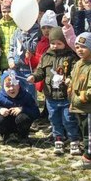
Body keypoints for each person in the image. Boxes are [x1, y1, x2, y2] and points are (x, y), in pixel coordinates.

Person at [32, 27, 80, 155]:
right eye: (53, 43)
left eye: (59, 43)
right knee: (54, 119)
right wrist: (34, 77)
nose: (55, 46)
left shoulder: (70, 57)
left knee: (68, 119)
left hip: (65, 96)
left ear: (65, 43)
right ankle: (58, 139)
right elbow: (40, 71)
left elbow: (75, 71)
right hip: (51, 96)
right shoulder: (46, 56)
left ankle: (74, 140)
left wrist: (70, 79)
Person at [68, 32, 91, 169]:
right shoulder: (78, 63)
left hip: (87, 106)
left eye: (83, 47)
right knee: (84, 131)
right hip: (77, 105)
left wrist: (82, 97)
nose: (80, 50)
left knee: (89, 133)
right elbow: (74, 77)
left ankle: (87, 159)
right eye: (77, 47)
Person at [0, 72, 39, 144]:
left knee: (23, 118)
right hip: (6, 124)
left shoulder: (26, 96)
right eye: (8, 86)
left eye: (14, 85)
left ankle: (23, 136)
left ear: (19, 85)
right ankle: (3, 134)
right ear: (3, 87)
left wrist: (23, 109)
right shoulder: (0, 97)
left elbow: (36, 112)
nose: (11, 88)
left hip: (20, 125)